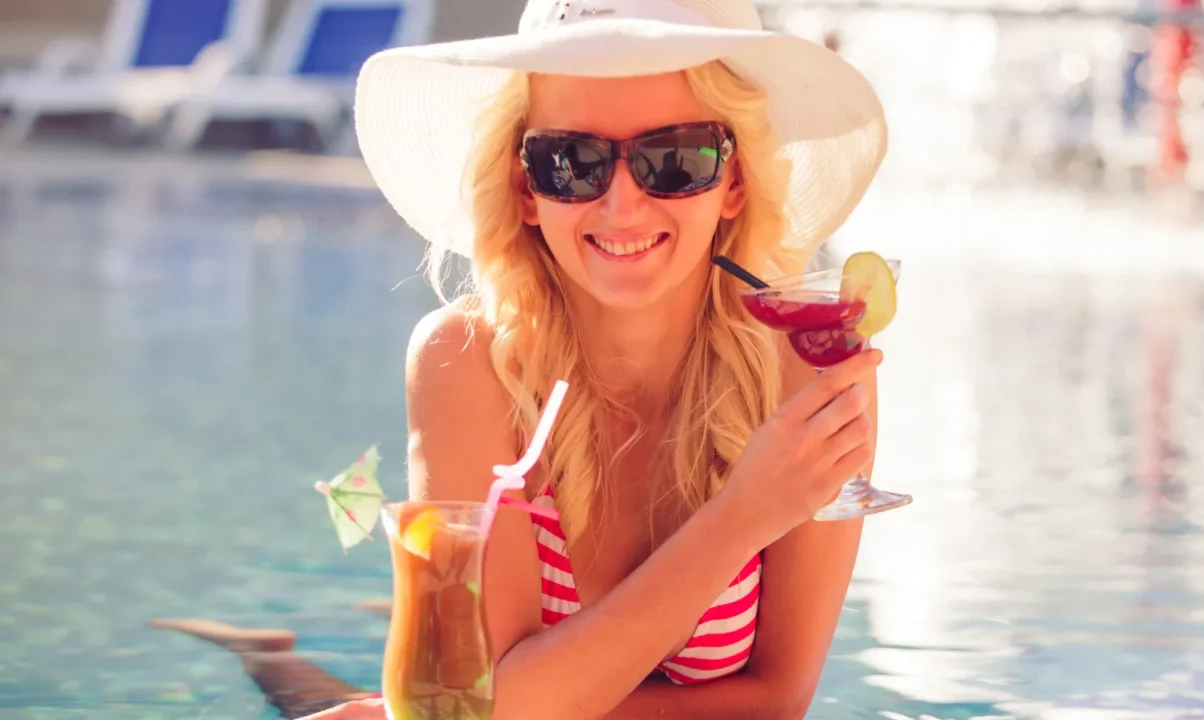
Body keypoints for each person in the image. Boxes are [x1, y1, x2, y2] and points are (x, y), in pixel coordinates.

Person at [155, 0, 890, 717]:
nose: (622, 205)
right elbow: (487, 710)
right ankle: (269, 656)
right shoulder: (466, 362)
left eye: (674, 159)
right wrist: (743, 517)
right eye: (573, 162)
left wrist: (533, 693)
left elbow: (778, 701)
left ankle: (279, 659)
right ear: (525, 188)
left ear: (732, 182)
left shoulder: (806, 369)